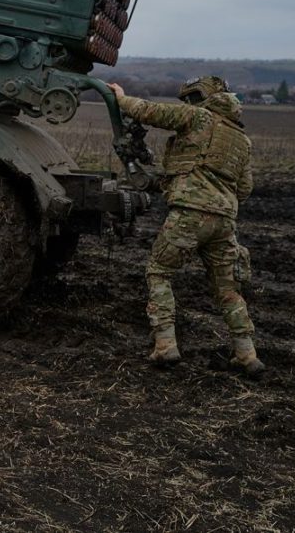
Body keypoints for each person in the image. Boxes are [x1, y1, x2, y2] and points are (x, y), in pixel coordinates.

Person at [108, 77, 265, 375]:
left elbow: (150, 112)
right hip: (224, 221)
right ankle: (247, 353)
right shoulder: (242, 140)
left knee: (158, 271)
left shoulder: (197, 117)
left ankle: (166, 345)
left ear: (202, 97)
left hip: (190, 215)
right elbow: (243, 190)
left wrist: (120, 98)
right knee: (227, 288)